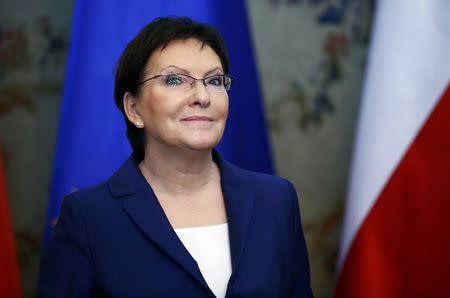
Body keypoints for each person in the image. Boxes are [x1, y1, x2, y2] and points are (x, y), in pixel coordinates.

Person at [38, 17, 313, 298]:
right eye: (174, 80)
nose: (202, 96)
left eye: (214, 80)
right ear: (134, 109)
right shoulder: (88, 217)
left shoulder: (277, 200)